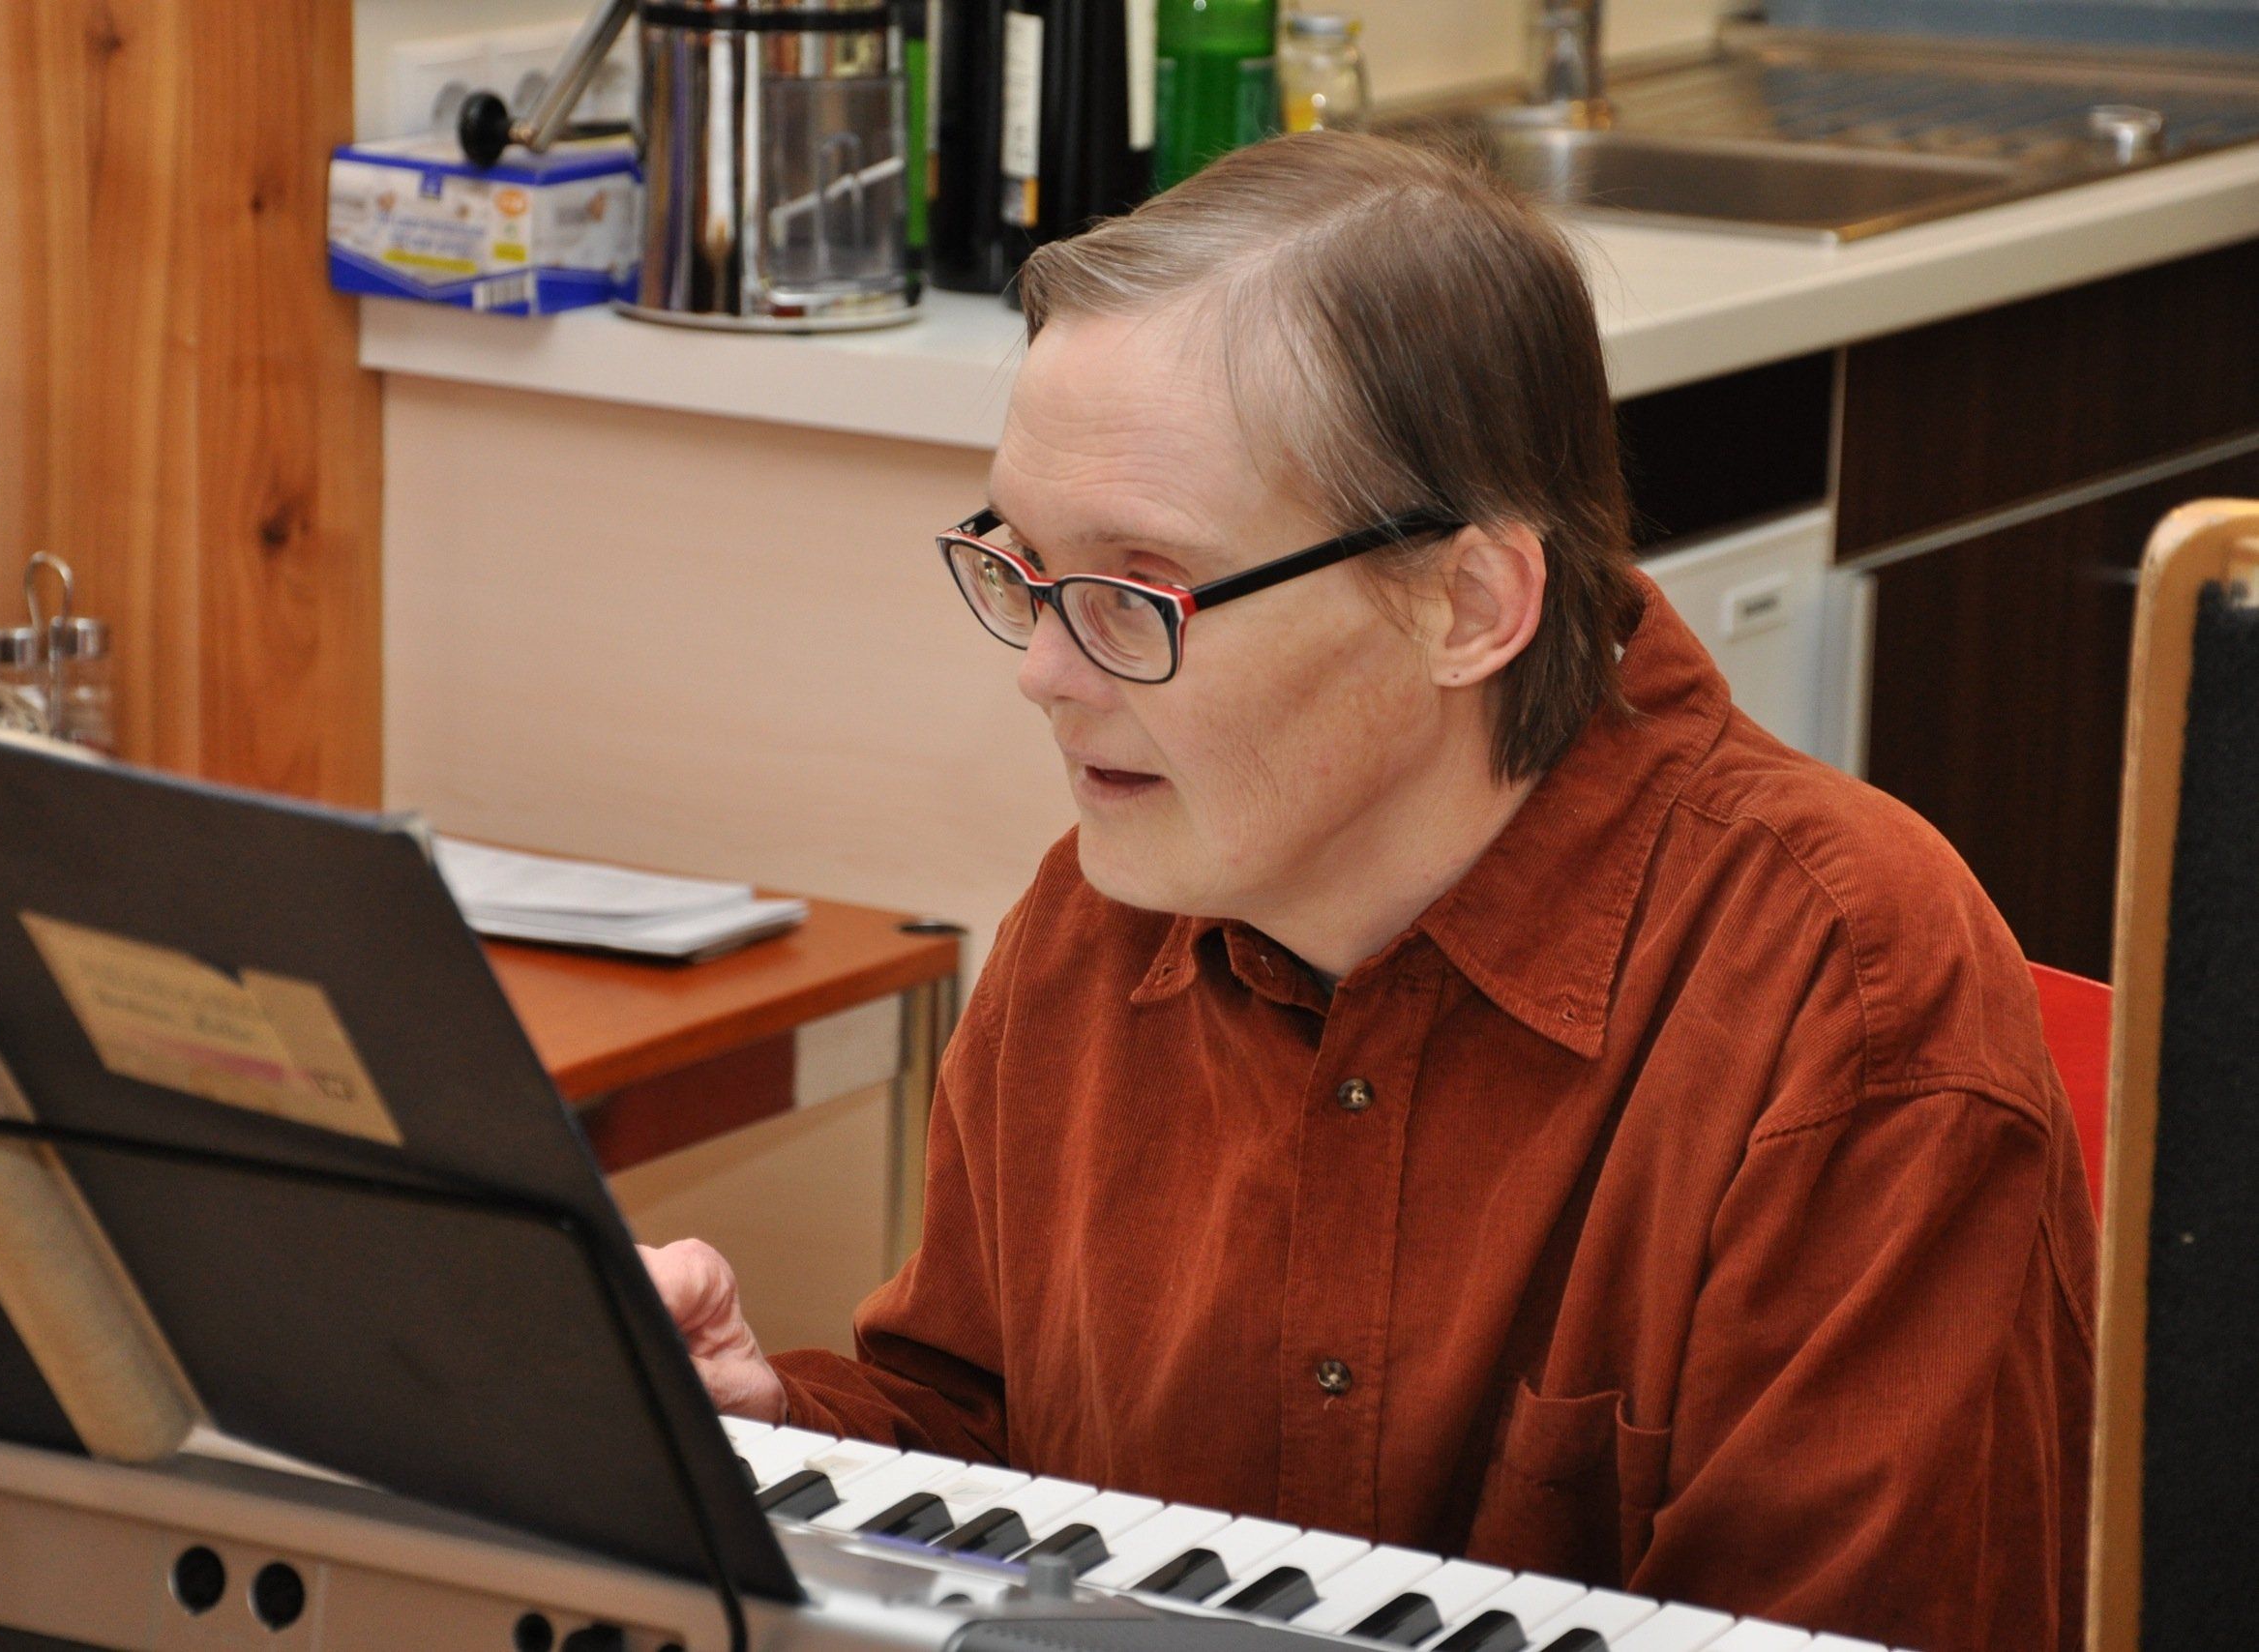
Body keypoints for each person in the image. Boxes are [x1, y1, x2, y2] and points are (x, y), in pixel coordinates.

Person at [642, 132, 2096, 1652]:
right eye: (1022, 568)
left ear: (1469, 605)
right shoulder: (1097, 922)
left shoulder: (1847, 1009)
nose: (1044, 672)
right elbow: (988, 1443)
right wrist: (772, 1434)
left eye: (1136, 592)